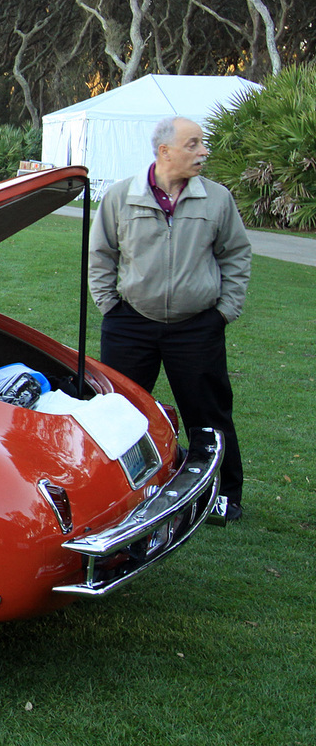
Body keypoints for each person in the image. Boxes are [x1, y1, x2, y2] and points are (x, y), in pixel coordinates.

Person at [88, 116, 252, 521]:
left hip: (197, 326)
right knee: (118, 413)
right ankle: (115, 495)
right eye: (194, 144)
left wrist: (223, 312)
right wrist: (110, 305)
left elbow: (235, 254)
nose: (203, 152)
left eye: (202, 144)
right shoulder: (121, 196)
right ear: (165, 151)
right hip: (131, 324)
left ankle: (222, 494)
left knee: (208, 414)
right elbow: (101, 254)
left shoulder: (217, 199)